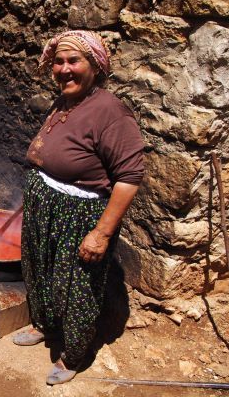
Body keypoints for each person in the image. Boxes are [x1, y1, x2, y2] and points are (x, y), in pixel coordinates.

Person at [16, 30, 144, 385]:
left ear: (96, 66)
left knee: (77, 287)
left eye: (74, 61)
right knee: (39, 268)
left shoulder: (111, 113)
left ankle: (74, 354)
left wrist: (101, 233)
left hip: (80, 214)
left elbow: (129, 178)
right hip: (48, 204)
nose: (64, 69)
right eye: (58, 61)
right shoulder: (65, 101)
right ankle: (44, 324)